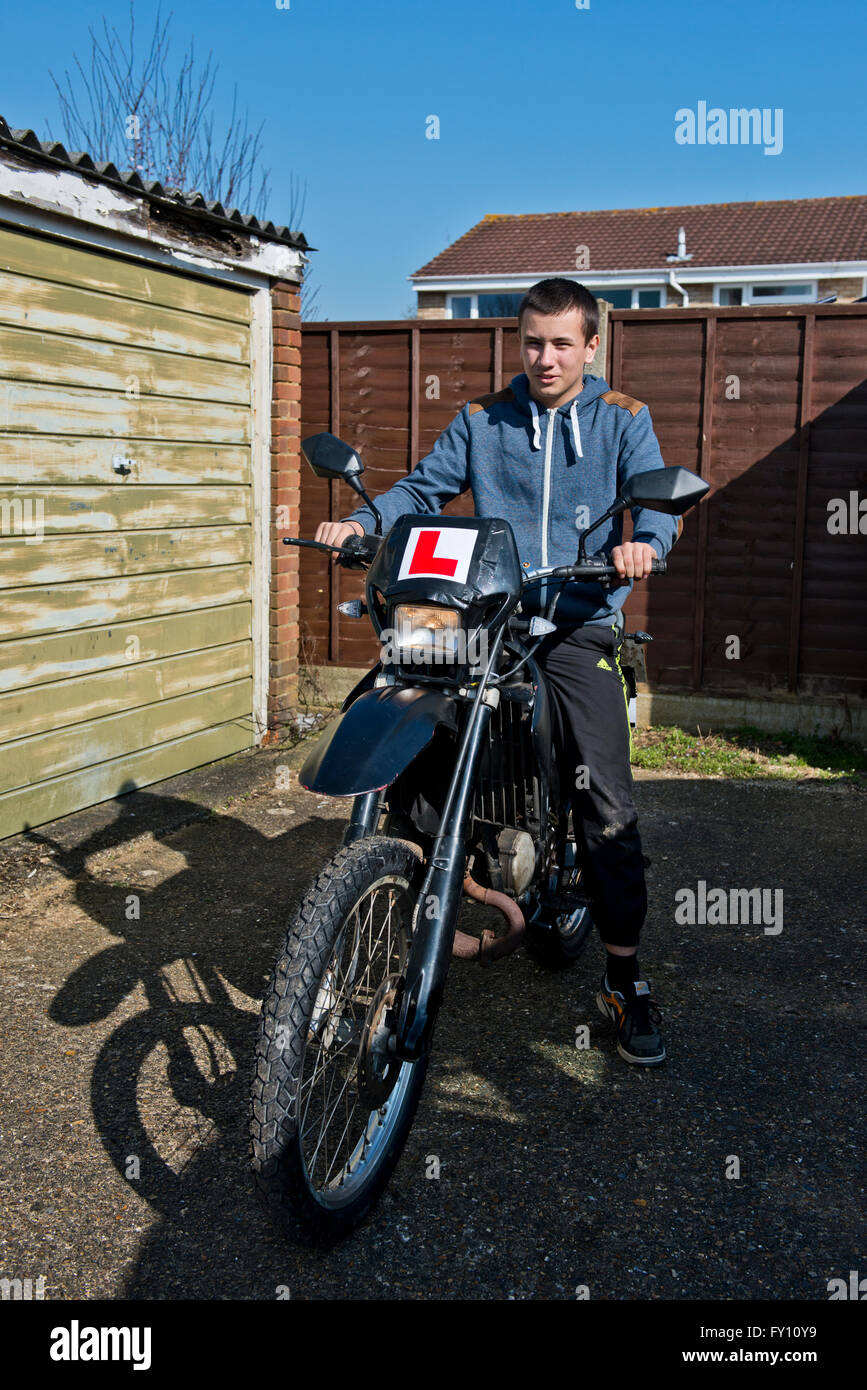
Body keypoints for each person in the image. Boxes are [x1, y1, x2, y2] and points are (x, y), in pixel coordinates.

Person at [315, 278, 680, 1066]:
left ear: (590, 347)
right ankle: (398, 875)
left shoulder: (624, 420)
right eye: (532, 342)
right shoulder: (482, 418)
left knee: (606, 804)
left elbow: (657, 505)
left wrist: (642, 543)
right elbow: (421, 488)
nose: (544, 358)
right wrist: (361, 519)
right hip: (486, 612)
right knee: (390, 702)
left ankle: (624, 976)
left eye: (560, 343)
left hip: (575, 620)